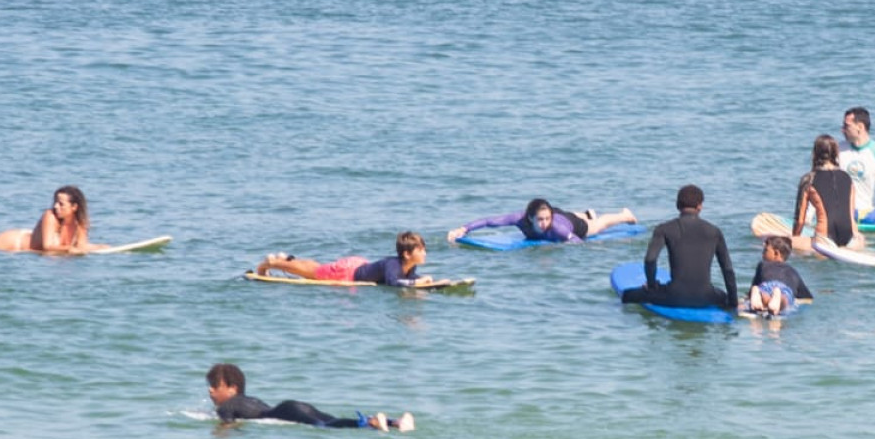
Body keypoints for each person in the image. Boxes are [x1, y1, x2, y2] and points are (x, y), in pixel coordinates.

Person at [620, 184, 738, 311]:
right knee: (722, 295)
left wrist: (652, 286)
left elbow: (650, 260)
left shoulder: (664, 229)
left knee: (627, 295)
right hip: (706, 297)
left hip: (673, 297)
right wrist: (733, 303)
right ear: (700, 206)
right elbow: (727, 269)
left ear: (677, 205)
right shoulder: (714, 231)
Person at [206, 362, 413, 432]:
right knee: (330, 420)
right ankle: (395, 422)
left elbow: (227, 429)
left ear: (232, 389)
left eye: (215, 386)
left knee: (326, 426)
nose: (210, 391)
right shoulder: (249, 400)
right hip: (291, 406)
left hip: (286, 412)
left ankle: (372, 422)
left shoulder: (228, 405)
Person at [253, 231, 433, 285]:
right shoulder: (394, 264)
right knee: (314, 272)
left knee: (317, 268)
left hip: (357, 266)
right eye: (421, 250)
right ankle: (271, 264)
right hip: (348, 272)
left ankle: (288, 261)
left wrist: (420, 280)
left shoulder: (409, 266)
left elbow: (405, 279)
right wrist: (418, 282)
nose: (424, 253)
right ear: (407, 254)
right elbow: (394, 282)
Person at [447, 199, 637, 245]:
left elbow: (578, 243)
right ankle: (586, 213)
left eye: (546, 219)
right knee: (572, 214)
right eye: (541, 219)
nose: (545, 222)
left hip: (571, 224)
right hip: (559, 213)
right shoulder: (520, 219)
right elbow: (489, 221)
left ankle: (625, 215)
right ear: (530, 218)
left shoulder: (556, 228)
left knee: (598, 226)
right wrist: (463, 229)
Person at [791, 134, 862, 249]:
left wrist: (794, 239)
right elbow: (850, 213)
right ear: (836, 154)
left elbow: (800, 221)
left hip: (824, 239)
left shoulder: (809, 179)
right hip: (851, 237)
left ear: (814, 154)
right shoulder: (847, 178)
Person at [0, 185, 91, 254]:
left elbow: (81, 246)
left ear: (74, 207)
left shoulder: (80, 223)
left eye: (61, 204)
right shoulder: (50, 215)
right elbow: (47, 246)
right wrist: (68, 249)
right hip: (13, 244)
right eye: (55, 202)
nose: (56, 206)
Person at [747, 235, 813, 315]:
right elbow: (807, 297)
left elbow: (754, 286)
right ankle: (778, 299)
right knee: (785, 299)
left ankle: (759, 294)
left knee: (764, 293)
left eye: (765, 251)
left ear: (776, 253)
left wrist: (749, 296)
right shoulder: (793, 272)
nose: (762, 254)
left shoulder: (763, 265)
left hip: (766, 286)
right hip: (783, 289)